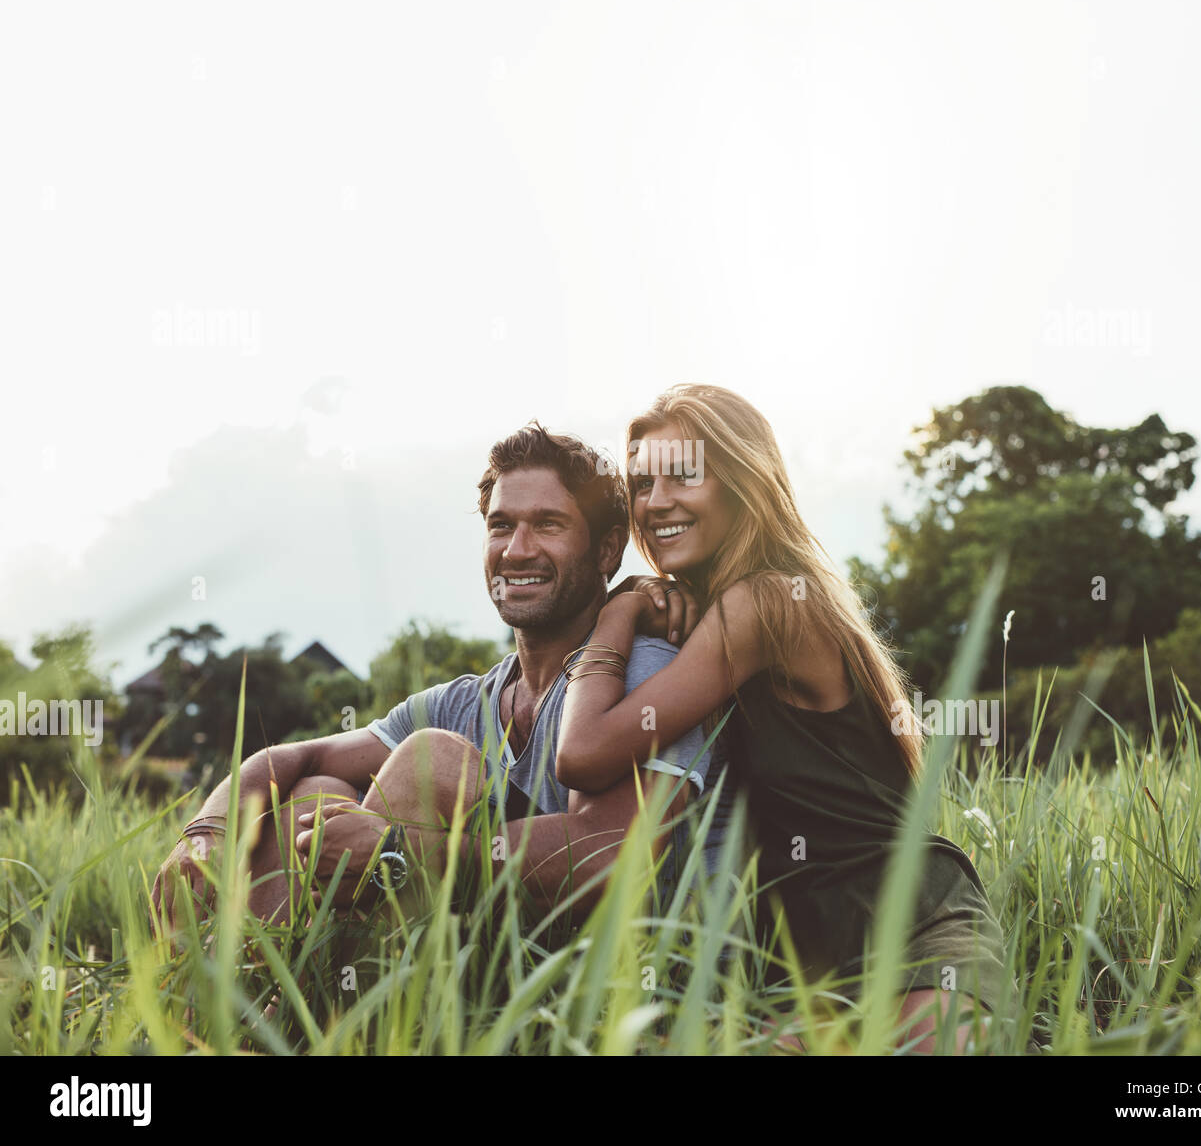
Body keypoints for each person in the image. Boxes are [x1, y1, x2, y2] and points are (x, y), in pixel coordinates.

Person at [555, 384, 1013, 1054]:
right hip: (800, 967)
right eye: (641, 484)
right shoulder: (713, 613)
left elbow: (585, 750)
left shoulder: (768, 603)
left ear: (743, 481)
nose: (654, 503)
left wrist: (617, 612)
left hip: (913, 929)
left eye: (683, 475)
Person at [150, 422, 729, 935]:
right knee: (312, 797)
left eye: (547, 525)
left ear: (608, 550)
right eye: (501, 526)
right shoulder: (464, 700)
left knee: (433, 761)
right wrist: (206, 830)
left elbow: (611, 857)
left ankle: (293, 1022)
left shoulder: (641, 666)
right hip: (475, 956)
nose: (517, 550)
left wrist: (396, 851)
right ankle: (253, 1013)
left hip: (599, 980)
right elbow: (298, 756)